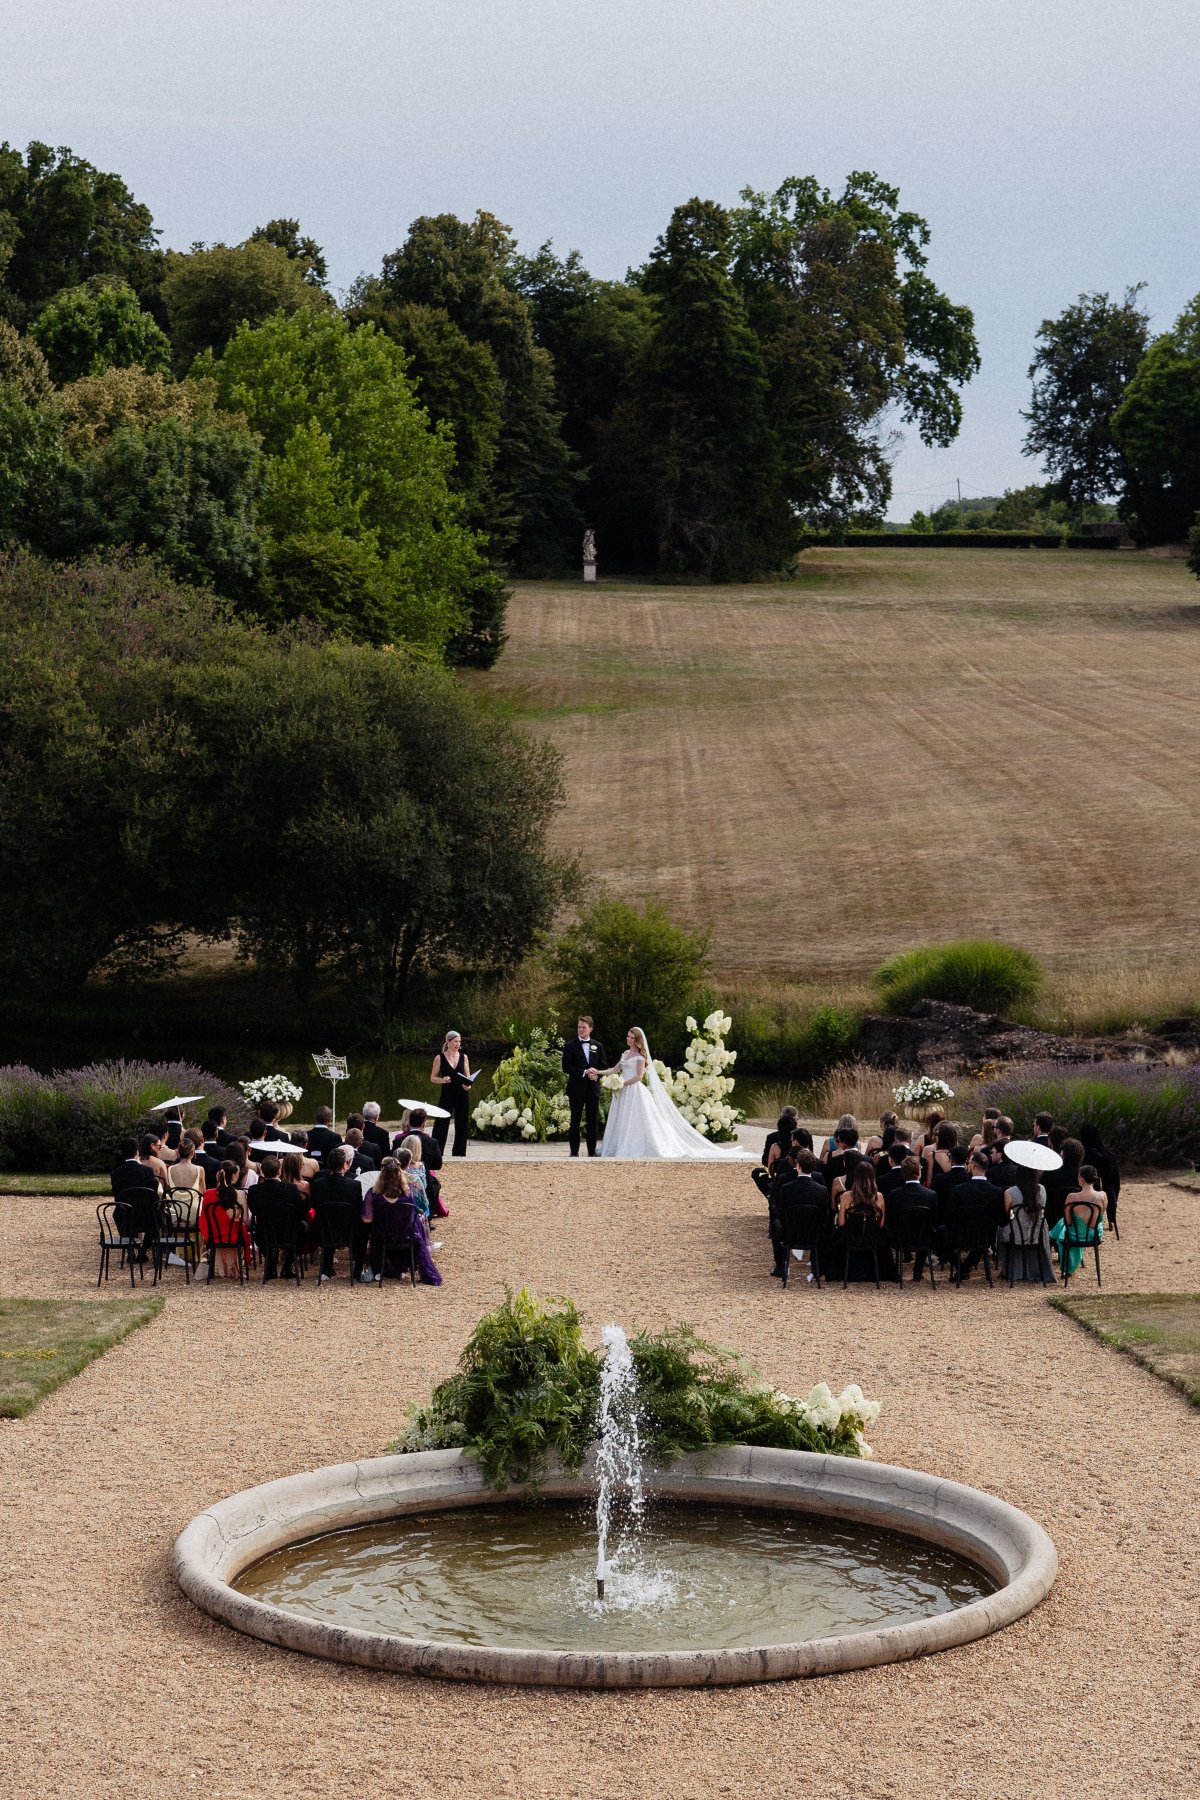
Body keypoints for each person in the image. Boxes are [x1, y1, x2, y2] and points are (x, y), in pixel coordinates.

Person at [597, 1027, 752, 1161]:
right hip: (622, 1092)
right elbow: (614, 1070)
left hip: (633, 1091)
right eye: (628, 1036)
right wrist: (599, 1073)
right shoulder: (625, 1054)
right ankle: (620, 1145)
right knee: (622, 1119)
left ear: (638, 1040)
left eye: (632, 1037)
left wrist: (622, 1083)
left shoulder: (640, 1056)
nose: (629, 1039)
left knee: (636, 1120)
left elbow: (638, 1076)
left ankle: (635, 1146)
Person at [363, 1157, 442, 1285]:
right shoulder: (408, 1193)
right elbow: (418, 1211)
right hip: (406, 1235)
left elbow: (367, 1219)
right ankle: (405, 1266)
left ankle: (378, 1266)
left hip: (382, 1236)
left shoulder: (373, 1193)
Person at [832, 1161, 898, 1282]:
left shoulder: (846, 1196)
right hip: (872, 1238)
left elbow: (841, 1223)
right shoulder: (879, 1197)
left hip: (851, 1238)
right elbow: (881, 1224)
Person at [769, 1148, 829, 1280]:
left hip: (790, 1234)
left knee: (775, 1224)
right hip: (814, 1235)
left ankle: (781, 1266)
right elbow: (825, 1215)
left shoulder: (786, 1188)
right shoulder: (822, 1190)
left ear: (798, 1166)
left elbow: (780, 1211)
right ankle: (819, 1267)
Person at [311, 1145, 366, 1282]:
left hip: (324, 1229)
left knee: (327, 1220)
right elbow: (359, 1207)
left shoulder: (318, 1184)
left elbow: (315, 1205)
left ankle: (326, 1269)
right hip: (348, 1230)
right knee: (364, 1228)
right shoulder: (354, 1185)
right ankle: (357, 1269)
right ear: (345, 1164)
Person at [251, 1153, 309, 1279]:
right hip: (289, 1231)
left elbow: (254, 1210)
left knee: (258, 1230)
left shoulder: (254, 1190)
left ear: (262, 1171)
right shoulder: (291, 1189)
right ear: (279, 1171)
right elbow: (300, 1211)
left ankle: (271, 1265)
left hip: (265, 1231)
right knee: (304, 1228)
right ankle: (287, 1265)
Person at [999, 1162, 1055, 1283]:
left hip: (1017, 1234)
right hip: (1037, 1233)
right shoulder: (1042, 1189)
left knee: (1001, 1230)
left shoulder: (1009, 1192)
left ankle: (1008, 1269)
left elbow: (1008, 1214)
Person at [888, 1157, 939, 1280]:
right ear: (919, 1172)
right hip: (924, 1239)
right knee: (925, 1228)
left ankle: (892, 1270)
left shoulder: (895, 1194)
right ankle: (918, 1270)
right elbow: (935, 1219)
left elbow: (891, 1219)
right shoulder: (930, 1194)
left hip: (900, 1238)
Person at [1050, 1165, 1106, 1277]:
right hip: (1093, 1234)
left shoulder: (1072, 1197)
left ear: (1081, 1179)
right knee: (1064, 1225)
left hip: (1075, 1235)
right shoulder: (1102, 1196)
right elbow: (1100, 1217)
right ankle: (1051, 1235)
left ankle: (1050, 1236)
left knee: (1062, 1225)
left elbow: (1068, 1222)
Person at [562, 1016, 606, 1158]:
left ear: (590, 1029)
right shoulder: (570, 1046)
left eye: (584, 1027)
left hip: (593, 1089)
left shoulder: (598, 1046)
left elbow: (603, 1065)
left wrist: (597, 1074)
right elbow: (566, 1067)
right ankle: (574, 1153)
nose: (580, 1029)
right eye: (579, 1027)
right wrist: (584, 1072)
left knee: (592, 1123)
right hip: (576, 1089)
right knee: (575, 1121)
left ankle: (591, 1153)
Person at [199, 1161, 250, 1280]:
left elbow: (204, 1218)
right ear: (233, 1176)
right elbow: (245, 1220)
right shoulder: (240, 1194)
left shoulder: (208, 1194)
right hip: (234, 1236)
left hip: (215, 1235)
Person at [111, 1137, 160, 1261]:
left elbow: (117, 1197)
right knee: (156, 1214)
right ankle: (143, 1250)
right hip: (145, 1214)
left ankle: (130, 1248)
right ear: (137, 1152)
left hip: (125, 1214)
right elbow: (153, 1193)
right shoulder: (147, 1171)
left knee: (117, 1213)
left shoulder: (116, 1173)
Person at [430, 1030, 474, 1157]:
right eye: (455, 1041)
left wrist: (468, 1086)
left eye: (459, 1042)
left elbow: (468, 1078)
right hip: (447, 1095)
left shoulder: (464, 1057)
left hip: (462, 1095)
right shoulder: (439, 1058)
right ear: (448, 1042)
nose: (458, 1044)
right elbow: (432, 1077)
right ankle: (437, 1153)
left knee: (462, 1124)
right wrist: (442, 1080)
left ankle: (459, 1154)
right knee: (441, 1124)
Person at [401, 1109, 447, 1215]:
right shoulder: (432, 1142)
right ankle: (428, 1214)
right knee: (434, 1185)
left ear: (409, 1122)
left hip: (402, 1175)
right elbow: (438, 1164)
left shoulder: (399, 1140)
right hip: (423, 1176)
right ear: (423, 1124)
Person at [1079, 1123, 1121, 1232]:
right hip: (1109, 1189)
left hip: (1089, 1190)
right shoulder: (1107, 1153)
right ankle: (1112, 1219)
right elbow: (1115, 1176)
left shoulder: (1085, 1155)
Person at [1042, 1136, 1083, 1229]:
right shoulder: (1084, 1175)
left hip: (1054, 1220)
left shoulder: (1051, 1173)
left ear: (1063, 1154)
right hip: (1080, 1221)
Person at [166, 1136, 205, 1226]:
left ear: (179, 1153)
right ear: (192, 1153)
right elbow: (202, 1193)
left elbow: (168, 1191)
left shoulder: (170, 1169)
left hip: (175, 1212)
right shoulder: (199, 1169)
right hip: (194, 1214)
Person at [360, 1102, 391, 1166]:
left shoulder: (357, 1130)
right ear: (377, 1117)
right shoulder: (383, 1134)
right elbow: (386, 1156)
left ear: (363, 1114)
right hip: (376, 1167)